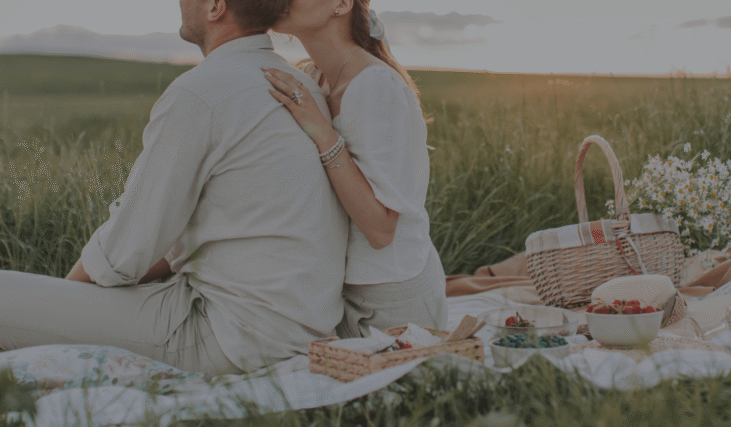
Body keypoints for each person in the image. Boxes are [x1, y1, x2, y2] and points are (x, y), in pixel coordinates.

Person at [0, 0, 349, 376]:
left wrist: (64, 301)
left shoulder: (202, 91)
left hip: (229, 338)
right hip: (296, 332)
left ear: (216, 7)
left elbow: (125, 250)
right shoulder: (302, 88)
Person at [263, 0, 448, 338]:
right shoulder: (314, 78)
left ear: (342, 4)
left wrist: (322, 131)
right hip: (337, 293)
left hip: (393, 301)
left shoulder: (374, 84)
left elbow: (381, 230)